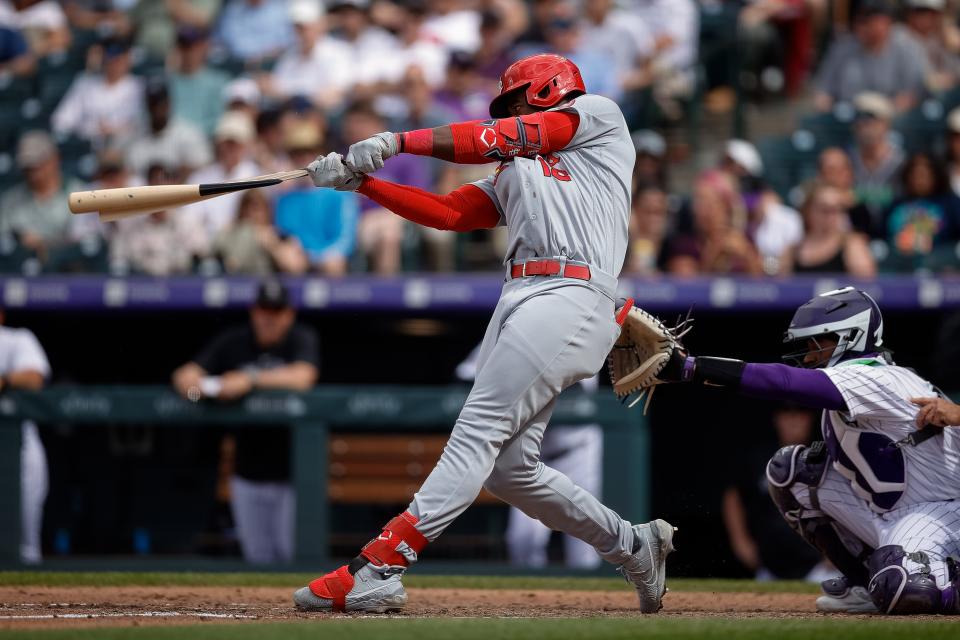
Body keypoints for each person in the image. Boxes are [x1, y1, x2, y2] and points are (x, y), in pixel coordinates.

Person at [297, 53, 674, 614]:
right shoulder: (519, 170)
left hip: (572, 291)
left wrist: (400, 141)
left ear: (549, 89)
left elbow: (512, 134)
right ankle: (633, 545)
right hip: (521, 295)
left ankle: (381, 565)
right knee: (509, 469)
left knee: (476, 432)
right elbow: (451, 212)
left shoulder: (597, 116)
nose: (514, 111)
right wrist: (365, 185)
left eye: (520, 98)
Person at [649, 286, 960, 614]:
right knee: (794, 473)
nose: (810, 357)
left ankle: (920, 575)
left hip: (940, 511)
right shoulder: (866, 381)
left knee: (904, 590)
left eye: (818, 345)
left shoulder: (877, 377)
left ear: (850, 338)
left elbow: (785, 381)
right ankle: (863, 581)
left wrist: (692, 367)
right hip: (895, 510)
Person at [172, 279, 319, 564]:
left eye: (276, 311)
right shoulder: (234, 340)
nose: (269, 317)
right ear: (254, 311)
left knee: (293, 557)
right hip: (247, 473)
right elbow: (184, 376)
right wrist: (202, 386)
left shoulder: (301, 337)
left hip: (294, 475)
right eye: (264, 309)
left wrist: (249, 380)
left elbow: (304, 377)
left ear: (289, 313)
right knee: (258, 559)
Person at [456, 344, 602, 569]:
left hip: (578, 452)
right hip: (534, 457)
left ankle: (588, 602)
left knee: (586, 544)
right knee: (522, 541)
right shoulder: (516, 332)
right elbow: (464, 376)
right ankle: (534, 601)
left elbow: (575, 390)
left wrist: (518, 382)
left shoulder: (579, 335)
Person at [722, 405, 830, 580]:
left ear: (810, 419)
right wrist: (741, 542)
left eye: (800, 415)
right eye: (787, 415)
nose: (794, 421)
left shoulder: (826, 460)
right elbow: (734, 497)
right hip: (769, 564)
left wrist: (842, 554)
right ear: (777, 419)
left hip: (818, 566)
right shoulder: (759, 458)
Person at [0, 309, 51, 563]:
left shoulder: (16, 339)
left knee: (26, 544)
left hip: (18, 447)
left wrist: (5, 380)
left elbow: (34, 377)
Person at [274, 121, 358, 275]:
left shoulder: (339, 191)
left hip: (330, 257)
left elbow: (346, 238)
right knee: (288, 259)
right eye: (297, 153)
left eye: (309, 151)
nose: (303, 158)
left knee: (333, 264)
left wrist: (318, 257)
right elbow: (284, 235)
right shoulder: (284, 198)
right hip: (299, 259)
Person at [813, 0, 928, 112]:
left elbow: (912, 95)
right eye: (860, 20)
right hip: (847, 116)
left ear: (887, 21)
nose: (863, 26)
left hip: (891, 118)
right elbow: (823, 93)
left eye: (869, 20)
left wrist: (885, 115)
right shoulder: (843, 47)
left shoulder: (906, 45)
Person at [182, 111, 262, 254]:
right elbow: (189, 218)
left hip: (244, 247)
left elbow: (260, 219)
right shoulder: (201, 177)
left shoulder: (257, 175)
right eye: (227, 143)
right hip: (206, 247)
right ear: (219, 144)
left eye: (235, 143)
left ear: (245, 145)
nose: (230, 149)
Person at [0, 131, 84, 256]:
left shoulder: (80, 193)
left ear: (54, 159)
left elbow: (85, 242)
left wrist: (45, 244)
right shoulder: (11, 200)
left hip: (68, 270)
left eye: (38, 164)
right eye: (28, 167)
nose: (33, 171)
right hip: (20, 268)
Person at [51, 37, 143, 147]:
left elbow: (142, 125)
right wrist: (92, 129)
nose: (115, 64)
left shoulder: (139, 86)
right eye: (111, 59)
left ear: (127, 59)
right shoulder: (85, 83)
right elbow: (61, 121)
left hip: (124, 148)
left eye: (119, 59)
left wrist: (113, 129)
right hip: (87, 143)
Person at [261, 0, 352, 110]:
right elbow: (274, 88)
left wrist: (290, 96)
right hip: (290, 115)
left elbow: (333, 95)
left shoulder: (339, 52)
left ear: (320, 25)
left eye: (304, 27)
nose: (300, 32)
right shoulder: (290, 54)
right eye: (296, 27)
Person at [881, 151, 960, 272]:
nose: (919, 180)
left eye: (925, 175)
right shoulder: (896, 203)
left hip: (938, 263)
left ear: (936, 175)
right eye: (915, 175)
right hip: (898, 261)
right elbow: (880, 235)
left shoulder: (950, 203)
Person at [125, 77, 212, 181]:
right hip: (145, 194)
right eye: (152, 104)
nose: (156, 109)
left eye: (160, 104)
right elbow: (130, 173)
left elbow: (205, 171)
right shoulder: (136, 136)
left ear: (169, 103)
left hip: (181, 194)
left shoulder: (188, 133)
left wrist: (184, 172)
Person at [780, 182, 876, 276]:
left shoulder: (852, 244)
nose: (830, 217)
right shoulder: (793, 249)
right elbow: (781, 284)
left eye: (836, 210)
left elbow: (866, 284)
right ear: (809, 211)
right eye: (824, 210)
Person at [213, 189, 308, 275]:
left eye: (256, 208)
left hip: (267, 291)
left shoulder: (280, 235)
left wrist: (273, 246)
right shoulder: (231, 233)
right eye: (246, 208)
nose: (251, 214)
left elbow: (297, 268)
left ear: (267, 210)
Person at [850, 92, 905, 228]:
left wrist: (857, 196)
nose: (864, 125)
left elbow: (899, 195)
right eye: (859, 118)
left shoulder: (901, 160)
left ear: (886, 123)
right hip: (856, 228)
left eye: (871, 119)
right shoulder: (847, 158)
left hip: (893, 226)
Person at [168, 26, 230, 137]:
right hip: (171, 139)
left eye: (193, 46)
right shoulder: (167, 81)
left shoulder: (218, 82)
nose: (188, 51)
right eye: (184, 46)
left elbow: (219, 119)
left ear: (204, 47)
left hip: (204, 140)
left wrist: (190, 133)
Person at [215, 0, 294, 65]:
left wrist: (263, 57)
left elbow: (286, 43)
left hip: (270, 65)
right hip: (235, 63)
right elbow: (227, 40)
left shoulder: (279, 10)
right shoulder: (234, 10)